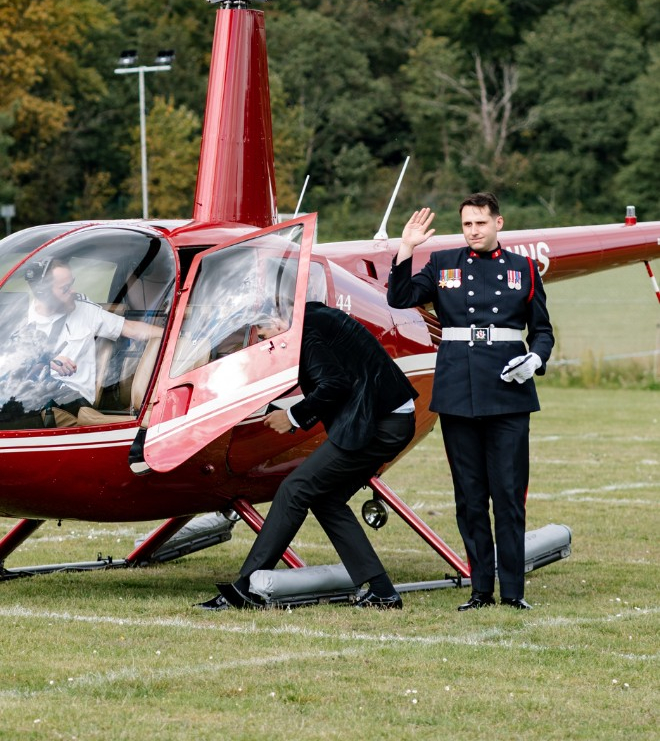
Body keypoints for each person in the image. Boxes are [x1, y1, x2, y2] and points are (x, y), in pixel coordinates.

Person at [387, 193, 554, 611]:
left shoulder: (523, 268)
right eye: (467, 224)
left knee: (509, 495)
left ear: (499, 222)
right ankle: (480, 590)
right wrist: (406, 248)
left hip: (508, 391)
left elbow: (542, 330)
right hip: (458, 391)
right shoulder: (442, 263)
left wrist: (535, 358)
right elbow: (399, 297)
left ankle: (513, 592)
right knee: (470, 497)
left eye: (480, 223)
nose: (474, 231)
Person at [196, 300, 418, 611]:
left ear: (277, 321)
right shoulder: (309, 318)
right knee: (325, 499)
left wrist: (293, 417)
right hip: (386, 418)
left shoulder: (305, 330)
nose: (264, 343)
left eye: (263, 335)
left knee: (294, 489)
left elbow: (334, 384)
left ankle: (244, 589)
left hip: (379, 423)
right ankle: (382, 591)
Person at [21, 256, 163, 426]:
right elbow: (11, 365)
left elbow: (131, 328)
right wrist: (45, 360)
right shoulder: (21, 318)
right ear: (44, 294)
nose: (72, 291)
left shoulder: (84, 310)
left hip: (71, 398)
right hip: (31, 392)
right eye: (65, 289)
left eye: (71, 284)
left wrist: (178, 334)